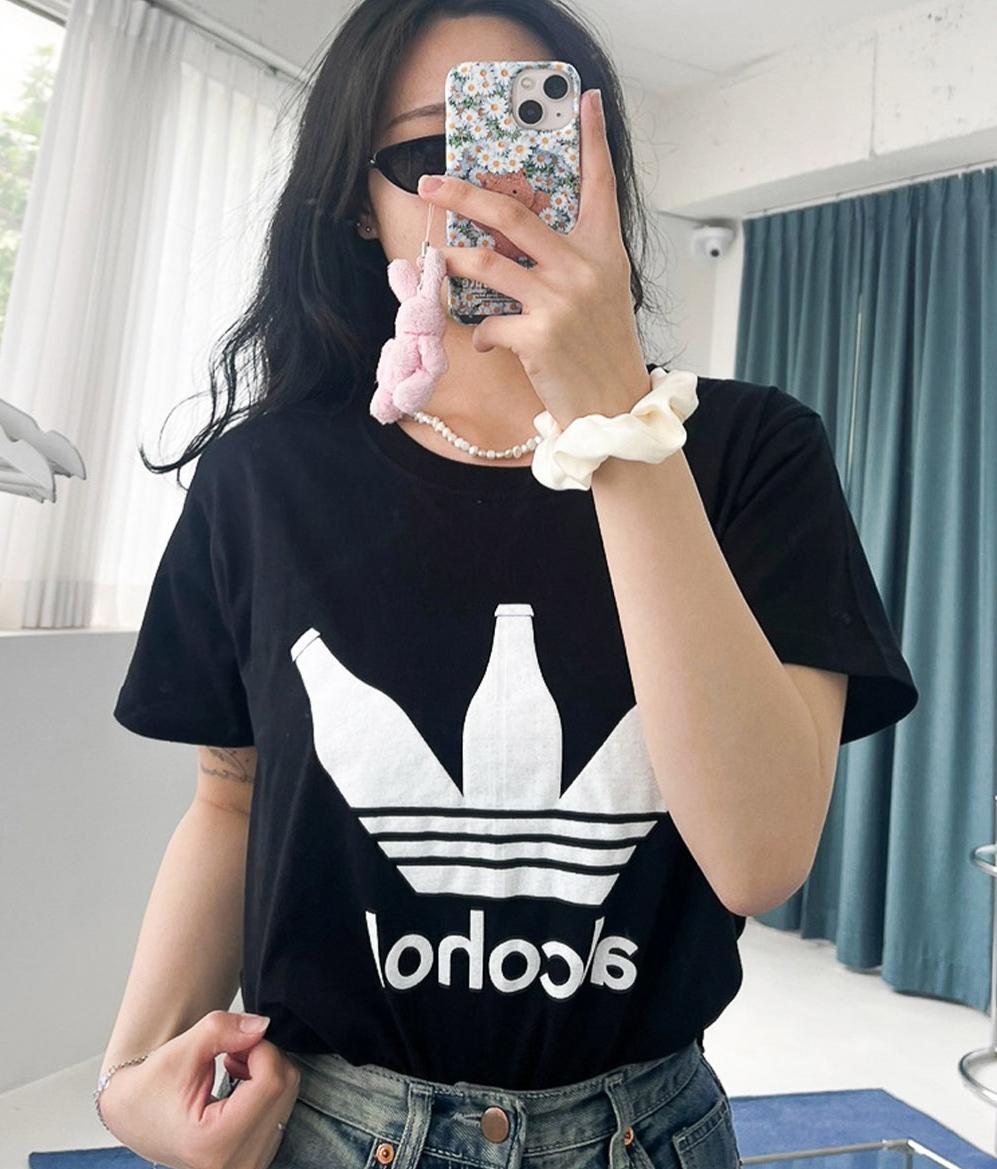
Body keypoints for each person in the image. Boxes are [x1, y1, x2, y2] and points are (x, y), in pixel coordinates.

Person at [98, 1, 919, 1167]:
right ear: (358, 200)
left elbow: (758, 854)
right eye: (433, 153)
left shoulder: (749, 450)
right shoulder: (263, 476)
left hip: (641, 1131)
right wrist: (128, 1069)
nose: (495, 191)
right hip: (330, 1126)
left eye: (535, 138)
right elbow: (231, 799)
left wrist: (612, 414)